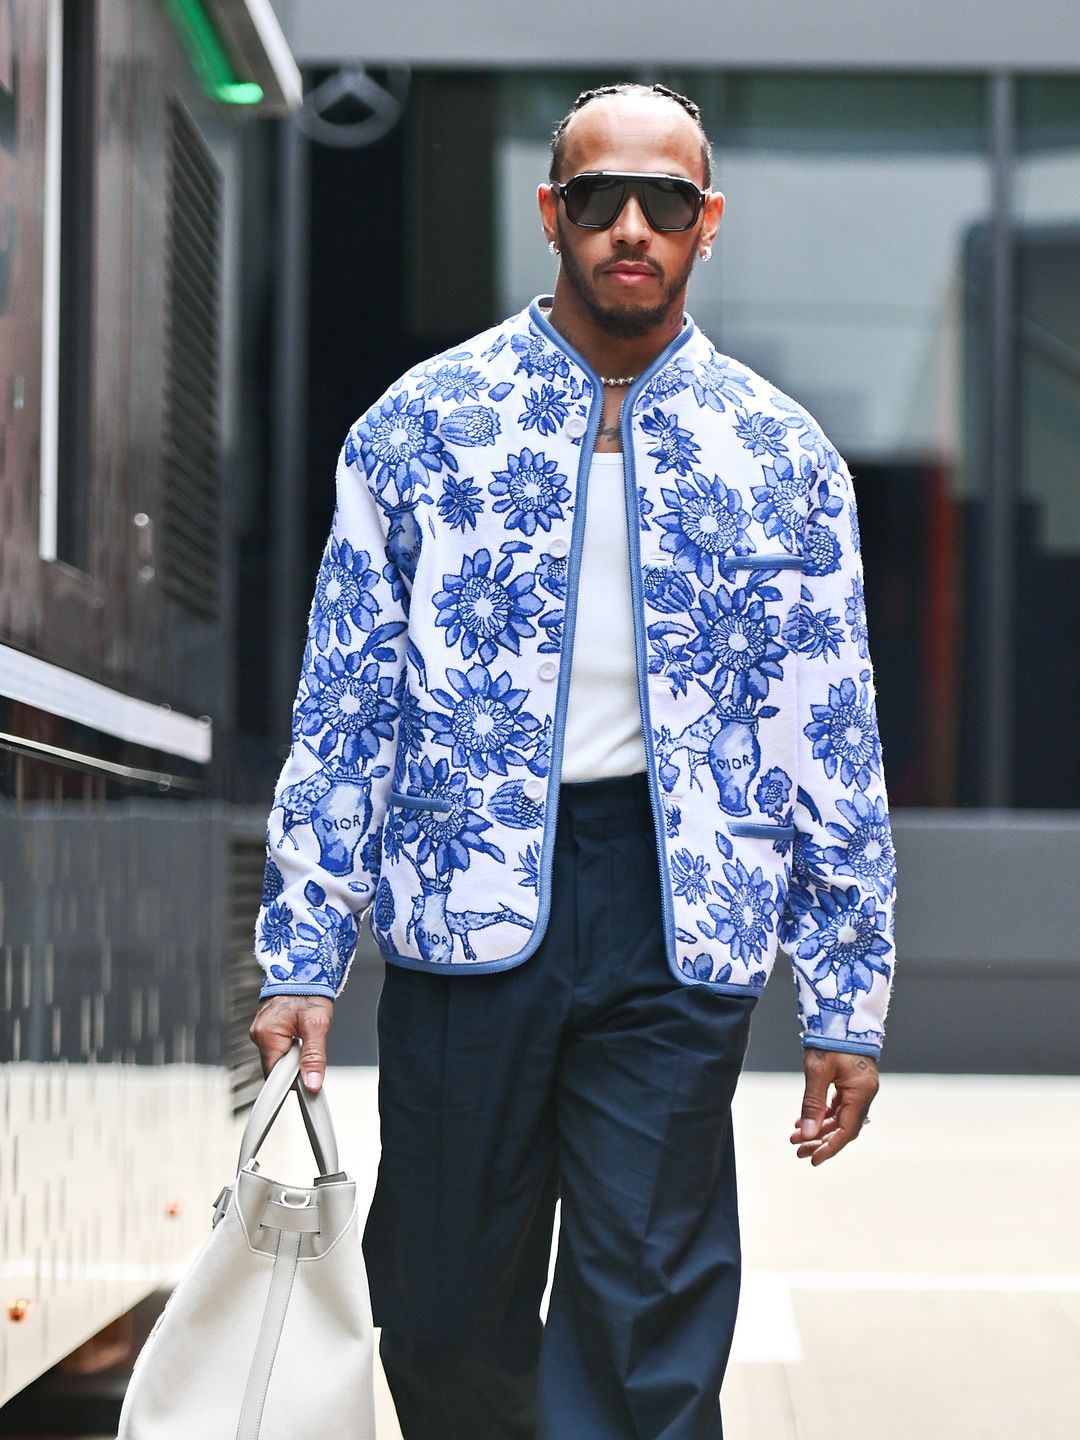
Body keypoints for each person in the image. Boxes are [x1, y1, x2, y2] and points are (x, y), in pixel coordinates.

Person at [251, 81, 896, 1440]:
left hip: (677, 914)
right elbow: (346, 702)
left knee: (647, 1304)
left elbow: (831, 727)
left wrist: (848, 987)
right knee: (440, 1302)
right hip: (465, 903)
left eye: (665, 201)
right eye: (599, 196)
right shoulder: (423, 426)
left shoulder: (782, 456)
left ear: (706, 224)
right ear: (551, 212)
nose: (630, 226)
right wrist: (304, 953)